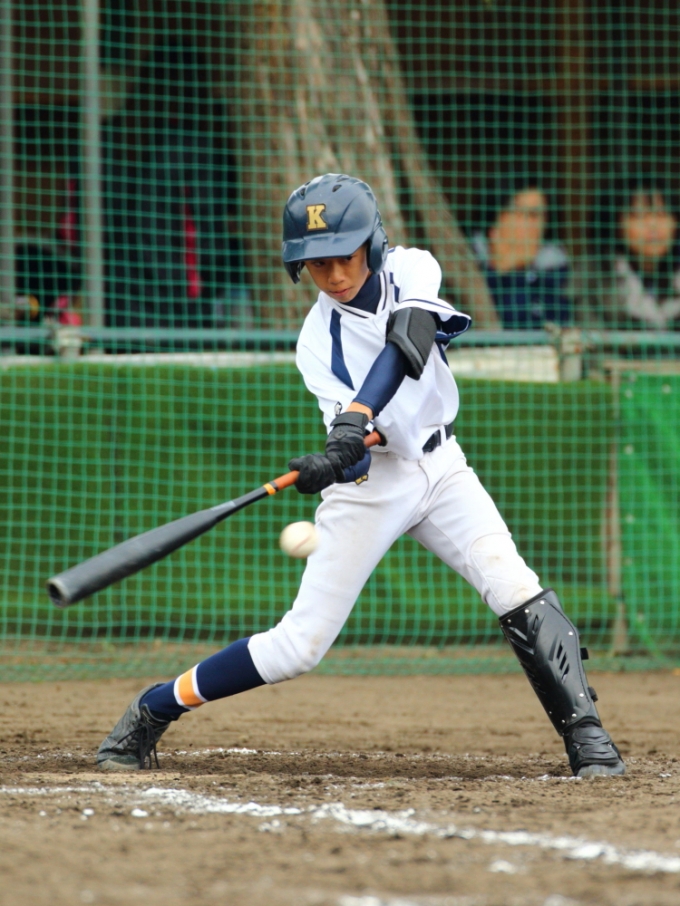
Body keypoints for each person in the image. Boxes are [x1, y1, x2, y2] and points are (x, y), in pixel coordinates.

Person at [96, 173, 625, 779]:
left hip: (443, 467)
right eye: (317, 264)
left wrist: (355, 417)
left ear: (371, 245)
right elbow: (362, 452)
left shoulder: (412, 268)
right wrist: (338, 454)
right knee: (299, 647)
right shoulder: (316, 342)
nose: (334, 275)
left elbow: (409, 342)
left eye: (345, 257)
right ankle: (155, 706)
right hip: (374, 489)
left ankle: (588, 738)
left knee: (512, 584)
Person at [471, 176, 571, 329]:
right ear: (498, 216)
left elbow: (546, 324)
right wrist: (499, 270)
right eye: (526, 213)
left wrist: (515, 269)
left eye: (542, 215)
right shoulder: (464, 262)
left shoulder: (555, 269)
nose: (537, 224)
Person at [590, 177, 680, 329]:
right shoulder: (593, 282)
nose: (653, 225)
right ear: (616, 224)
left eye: (662, 214)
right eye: (638, 215)